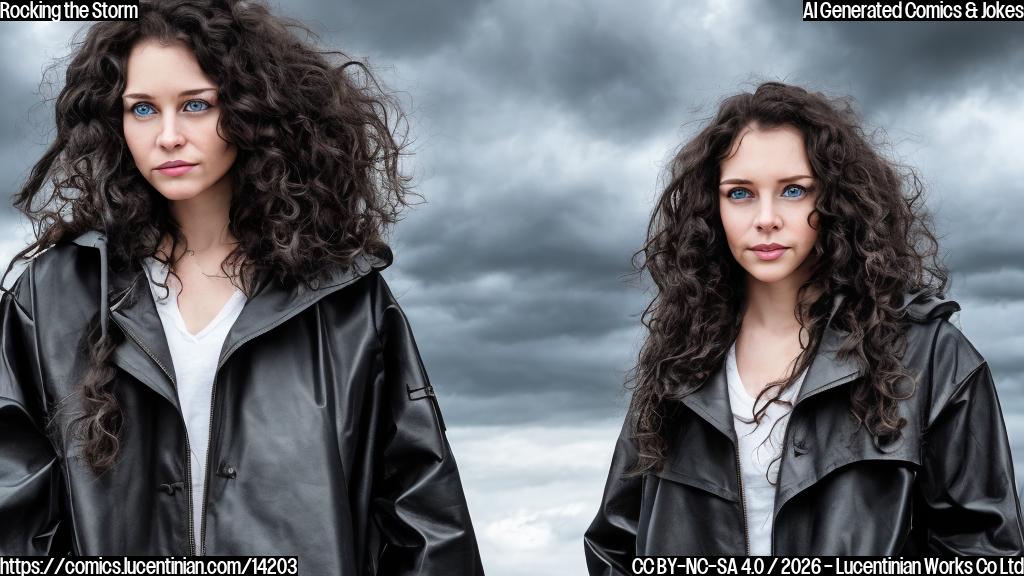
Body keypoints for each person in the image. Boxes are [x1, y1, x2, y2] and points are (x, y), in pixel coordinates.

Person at [0, 1, 484, 573]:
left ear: (254, 111)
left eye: (197, 105)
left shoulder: (345, 297)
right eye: (142, 109)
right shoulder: (51, 295)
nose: (169, 135)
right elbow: (14, 519)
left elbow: (423, 518)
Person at [584, 82, 1023, 566]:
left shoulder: (930, 355)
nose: (766, 218)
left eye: (794, 190)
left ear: (836, 201)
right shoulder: (680, 361)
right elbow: (615, 546)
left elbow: (983, 551)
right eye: (740, 193)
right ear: (713, 209)